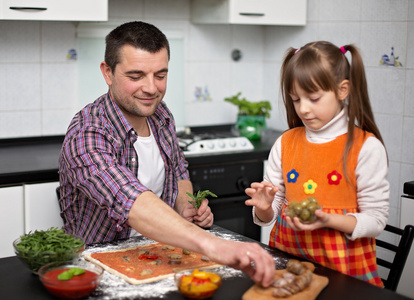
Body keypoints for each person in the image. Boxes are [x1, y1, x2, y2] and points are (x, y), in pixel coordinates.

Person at [58, 21, 275, 287]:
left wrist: (185, 206)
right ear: (108, 72)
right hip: (100, 272)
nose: (151, 88)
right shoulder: (87, 133)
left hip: (159, 258)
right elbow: (128, 200)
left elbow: (178, 169)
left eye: (160, 75)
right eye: (136, 76)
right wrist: (212, 244)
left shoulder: (160, 114)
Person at [245, 41, 389, 287]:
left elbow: (376, 220)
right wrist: (264, 208)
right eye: (296, 99)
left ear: (342, 90)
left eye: (313, 98)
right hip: (288, 271)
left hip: (344, 278)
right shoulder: (286, 142)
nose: (303, 109)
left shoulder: (366, 147)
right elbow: (271, 214)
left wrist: (328, 221)